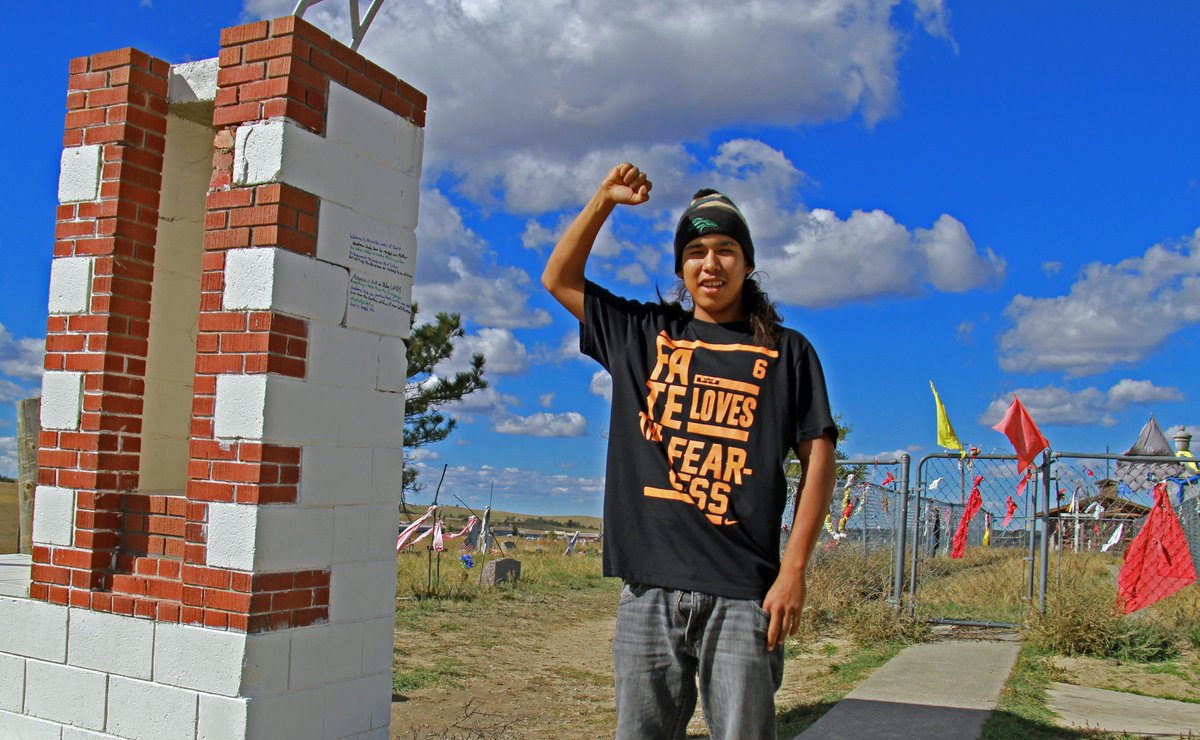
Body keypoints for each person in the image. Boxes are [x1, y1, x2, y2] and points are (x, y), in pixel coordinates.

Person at [541, 162, 837, 739]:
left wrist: (794, 570)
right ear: (680, 267)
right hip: (647, 590)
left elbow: (818, 457)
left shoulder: (789, 353)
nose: (711, 263)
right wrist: (603, 199)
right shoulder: (644, 335)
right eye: (696, 251)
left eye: (726, 248)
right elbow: (559, 278)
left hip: (744, 595)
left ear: (748, 263)